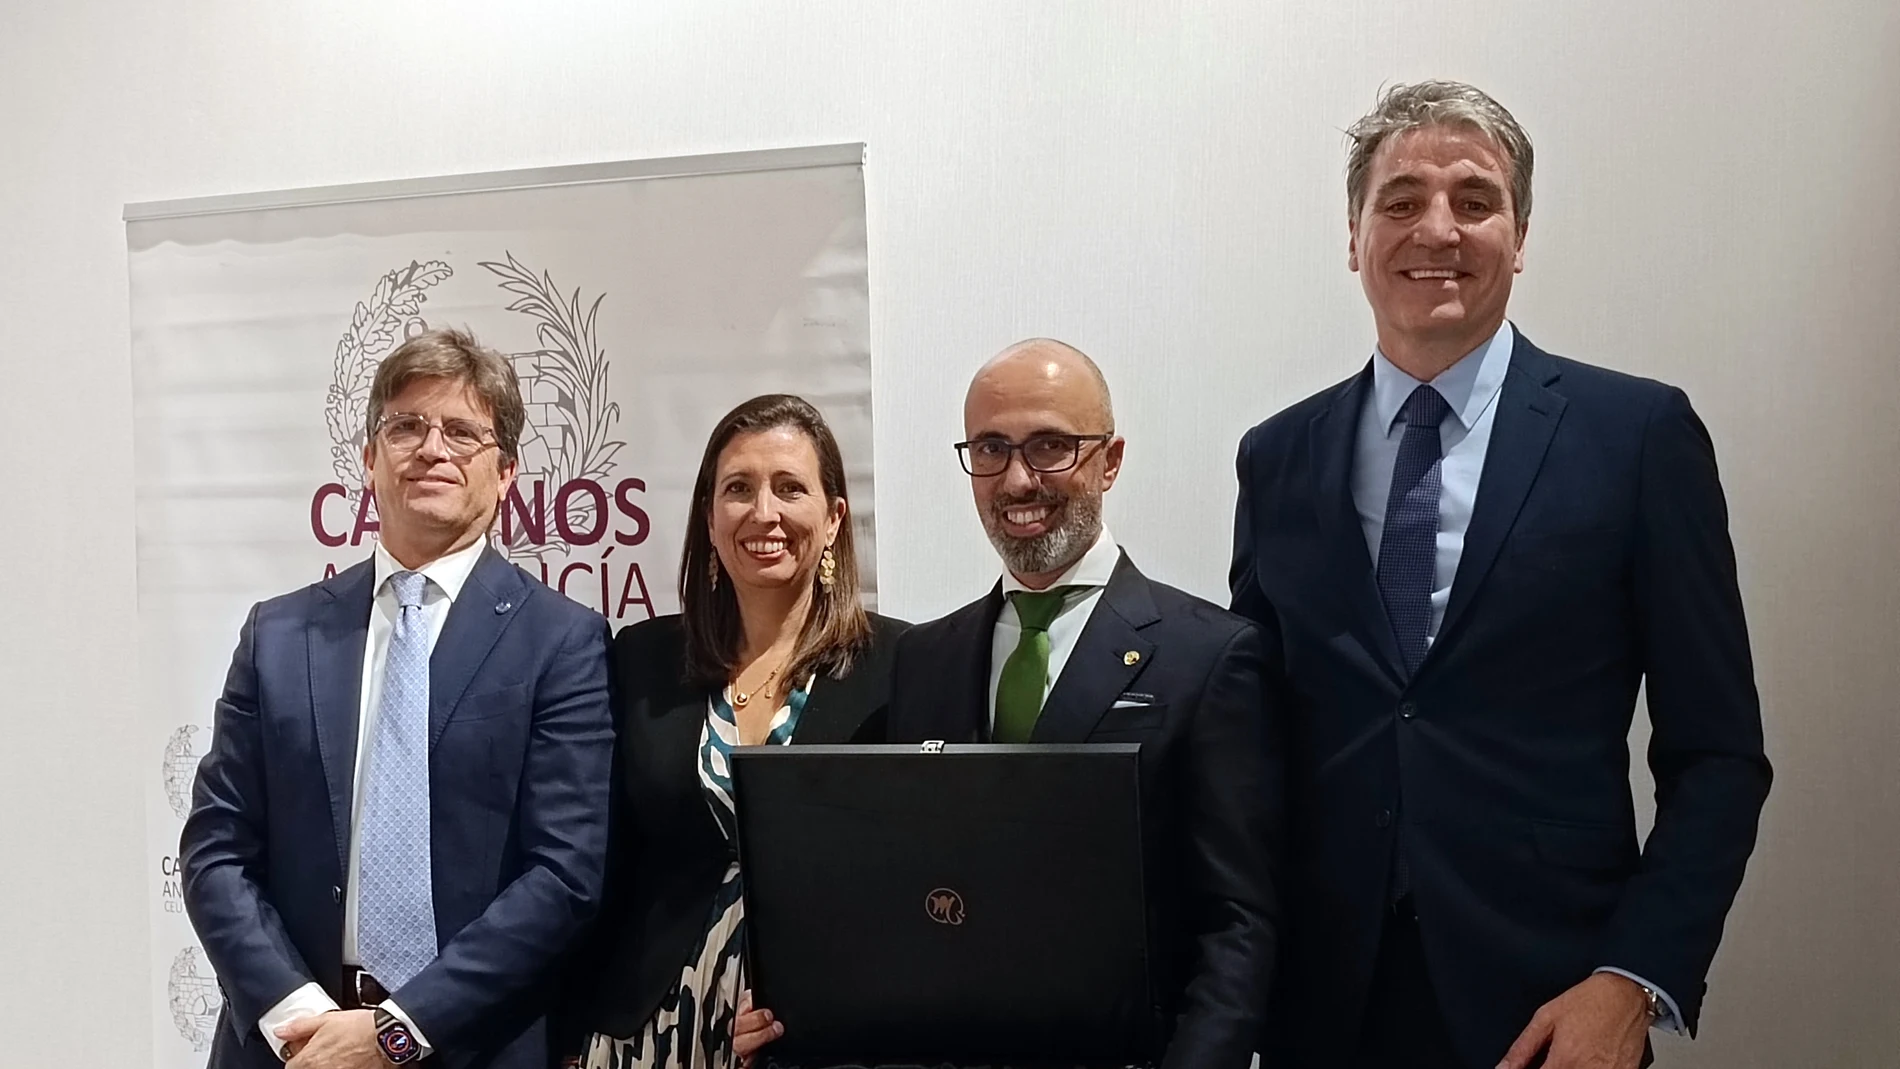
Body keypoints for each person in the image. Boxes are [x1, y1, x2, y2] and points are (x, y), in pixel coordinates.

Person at [1229, 81, 1773, 1069]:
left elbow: (1718, 756)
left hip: (1549, 1009)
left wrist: (1632, 980)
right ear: (1353, 236)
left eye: (1473, 200)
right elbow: (1254, 738)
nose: (1435, 228)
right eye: (1399, 200)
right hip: (1319, 1010)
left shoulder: (1638, 438)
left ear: (1519, 235)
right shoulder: (1277, 458)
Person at [181, 327, 615, 1069]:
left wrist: (395, 1030)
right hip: (295, 1049)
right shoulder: (279, 634)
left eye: (462, 431)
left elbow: (564, 875)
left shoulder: (562, 641)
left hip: (470, 1044)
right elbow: (216, 851)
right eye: (406, 426)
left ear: (506, 471)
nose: (431, 447)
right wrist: (303, 1018)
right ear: (369, 459)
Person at [882, 339, 1280, 1069]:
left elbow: (1237, 924)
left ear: (1111, 458)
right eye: (992, 447)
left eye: (1051, 446)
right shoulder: (924, 659)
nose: (1018, 478)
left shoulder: (1211, 656)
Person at [561, 393, 908, 1069]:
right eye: (738, 489)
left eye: (789, 488)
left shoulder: (902, 665)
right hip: (643, 1028)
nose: (764, 512)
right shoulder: (642, 658)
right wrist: (573, 1028)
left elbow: (907, 879)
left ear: (834, 517)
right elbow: (605, 865)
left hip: (809, 1033)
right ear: (711, 520)